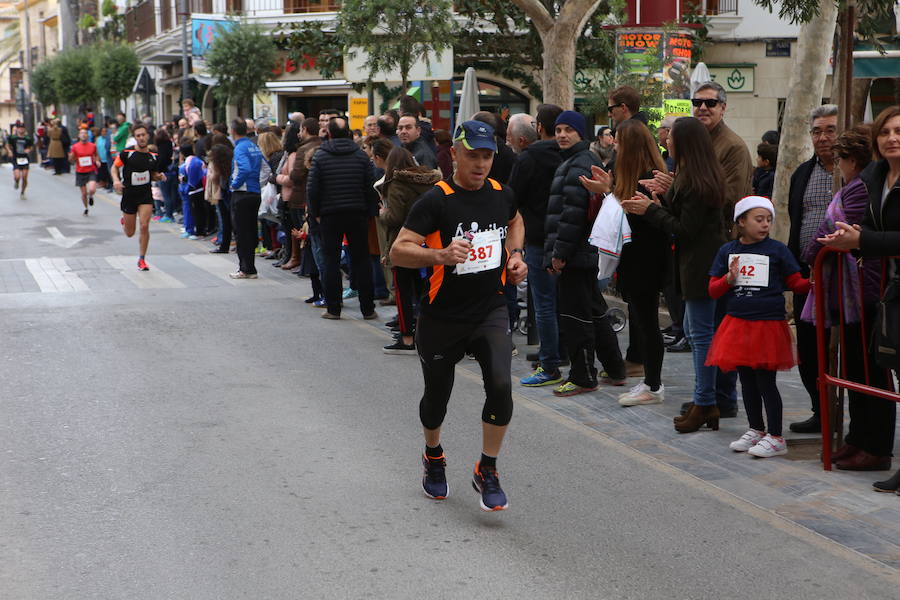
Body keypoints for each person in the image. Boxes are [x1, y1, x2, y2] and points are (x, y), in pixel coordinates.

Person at [389, 119, 527, 511]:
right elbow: (398, 251)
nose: (480, 164)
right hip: (442, 316)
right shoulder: (436, 200)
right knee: (437, 397)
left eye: (487, 156)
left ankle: (488, 467)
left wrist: (516, 257)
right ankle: (433, 455)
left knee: (501, 384)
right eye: (473, 156)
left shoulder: (502, 193)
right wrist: (440, 255)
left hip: (490, 309)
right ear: (454, 155)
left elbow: (515, 221)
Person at [620, 116, 727, 434]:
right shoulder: (693, 176)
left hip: (701, 267)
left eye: (671, 137)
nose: (666, 141)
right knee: (697, 334)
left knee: (701, 336)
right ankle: (705, 400)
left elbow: (684, 229)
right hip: (695, 266)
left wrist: (651, 210)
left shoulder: (697, 180)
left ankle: (705, 402)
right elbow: (684, 219)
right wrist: (663, 199)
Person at [818, 105, 900, 480]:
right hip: (880, 289)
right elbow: (863, 227)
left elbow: (870, 233)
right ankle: (863, 439)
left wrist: (861, 239)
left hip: (883, 289)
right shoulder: (876, 178)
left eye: (898, 132)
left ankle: (879, 448)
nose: (892, 139)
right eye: (885, 133)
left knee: (881, 373)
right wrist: (849, 239)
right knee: (864, 368)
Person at [803, 124, 889, 471]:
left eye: (840, 159)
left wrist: (811, 254)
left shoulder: (862, 187)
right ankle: (858, 438)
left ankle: (876, 446)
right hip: (850, 289)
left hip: (865, 288)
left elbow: (830, 232)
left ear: (850, 159)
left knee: (870, 371)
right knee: (855, 368)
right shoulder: (860, 184)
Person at [706, 197, 810, 456]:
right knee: (746, 381)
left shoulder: (777, 250)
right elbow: (713, 290)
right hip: (738, 324)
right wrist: (729, 278)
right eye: (758, 219)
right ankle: (756, 429)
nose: (765, 225)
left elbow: (795, 282)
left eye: (768, 220)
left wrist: (813, 282)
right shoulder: (727, 251)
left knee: (766, 382)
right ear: (741, 222)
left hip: (767, 324)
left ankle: (776, 436)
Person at [785, 104, 839, 434]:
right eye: (817, 131)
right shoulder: (802, 173)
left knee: (845, 348)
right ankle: (820, 411)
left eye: (830, 129)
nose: (822, 137)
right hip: (807, 275)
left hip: (847, 274)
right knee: (807, 348)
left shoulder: (856, 172)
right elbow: (796, 222)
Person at [608, 119, 670, 405]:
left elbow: (637, 220)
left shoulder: (647, 179)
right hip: (637, 262)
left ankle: (653, 385)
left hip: (645, 263)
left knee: (647, 324)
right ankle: (650, 381)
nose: (614, 146)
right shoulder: (635, 177)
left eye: (619, 141)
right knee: (643, 323)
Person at [543, 110, 603, 397]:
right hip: (579, 253)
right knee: (590, 312)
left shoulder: (579, 162)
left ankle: (583, 376)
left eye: (569, 129)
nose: (562, 135)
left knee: (576, 318)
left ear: (581, 133)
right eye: (558, 130)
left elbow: (572, 215)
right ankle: (610, 369)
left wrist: (560, 253)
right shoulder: (574, 160)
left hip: (576, 255)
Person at [512, 104, 566, 386]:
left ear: (540, 128)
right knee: (564, 302)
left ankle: (549, 363)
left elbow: (513, 198)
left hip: (537, 238)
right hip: (568, 240)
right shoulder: (572, 156)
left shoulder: (528, 158)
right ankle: (561, 353)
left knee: (544, 304)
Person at [307, 116, 379, 320]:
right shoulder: (361, 155)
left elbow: (312, 189)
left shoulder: (321, 156)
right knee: (361, 260)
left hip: (330, 216)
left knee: (330, 261)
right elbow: (369, 186)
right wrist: (370, 212)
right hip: (357, 214)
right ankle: (367, 308)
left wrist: (316, 213)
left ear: (328, 133)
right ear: (348, 131)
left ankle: (333, 308)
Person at [378, 147, 442, 354]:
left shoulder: (397, 183)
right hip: (427, 242)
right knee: (424, 291)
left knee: (403, 292)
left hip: (402, 243)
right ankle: (425, 334)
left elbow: (395, 217)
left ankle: (407, 338)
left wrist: (382, 214)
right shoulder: (431, 180)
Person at [111, 124, 165, 271]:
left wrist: (159, 176)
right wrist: (116, 180)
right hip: (129, 195)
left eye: (143, 135)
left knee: (144, 225)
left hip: (145, 195)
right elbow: (114, 167)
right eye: (138, 136)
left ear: (148, 136)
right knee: (130, 233)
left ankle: (142, 259)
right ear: (135, 138)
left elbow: (153, 173)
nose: (141, 138)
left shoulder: (153, 156)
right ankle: (125, 221)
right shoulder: (126, 153)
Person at [290, 118, 324, 302]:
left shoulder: (304, 150)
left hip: (306, 207)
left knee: (315, 253)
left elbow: (296, 176)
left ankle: (322, 293)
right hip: (312, 211)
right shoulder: (322, 145)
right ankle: (322, 293)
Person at [229, 118, 264, 279]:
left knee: (242, 233)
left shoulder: (240, 148)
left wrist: (234, 185)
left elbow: (244, 168)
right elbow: (266, 168)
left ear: (233, 131)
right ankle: (250, 267)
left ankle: (246, 269)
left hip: (242, 195)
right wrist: (257, 183)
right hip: (255, 193)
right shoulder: (253, 146)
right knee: (250, 232)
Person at [206, 144, 233, 254]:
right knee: (230, 219)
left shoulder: (218, 165)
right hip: (229, 192)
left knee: (225, 220)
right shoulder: (230, 162)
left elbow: (214, 178)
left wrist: (211, 171)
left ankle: (224, 245)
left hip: (222, 193)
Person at [69, 127, 99, 216]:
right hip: (80, 171)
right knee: (84, 193)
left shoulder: (93, 145)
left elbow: (96, 155)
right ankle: (86, 208)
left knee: (92, 189)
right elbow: (72, 160)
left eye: (85, 133)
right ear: (79, 135)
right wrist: (71, 157)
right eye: (82, 133)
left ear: (87, 135)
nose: (84, 135)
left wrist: (97, 161)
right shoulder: (75, 147)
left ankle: (91, 196)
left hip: (91, 170)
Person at [7, 123, 33, 197]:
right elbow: (7, 145)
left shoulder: (28, 138)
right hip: (16, 158)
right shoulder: (13, 138)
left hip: (25, 159)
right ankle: (17, 182)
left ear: (24, 129)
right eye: (19, 128)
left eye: (22, 128)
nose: (21, 129)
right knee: (17, 176)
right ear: (17, 129)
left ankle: (22, 192)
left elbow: (31, 146)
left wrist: (29, 149)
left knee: (24, 177)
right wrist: (9, 151)